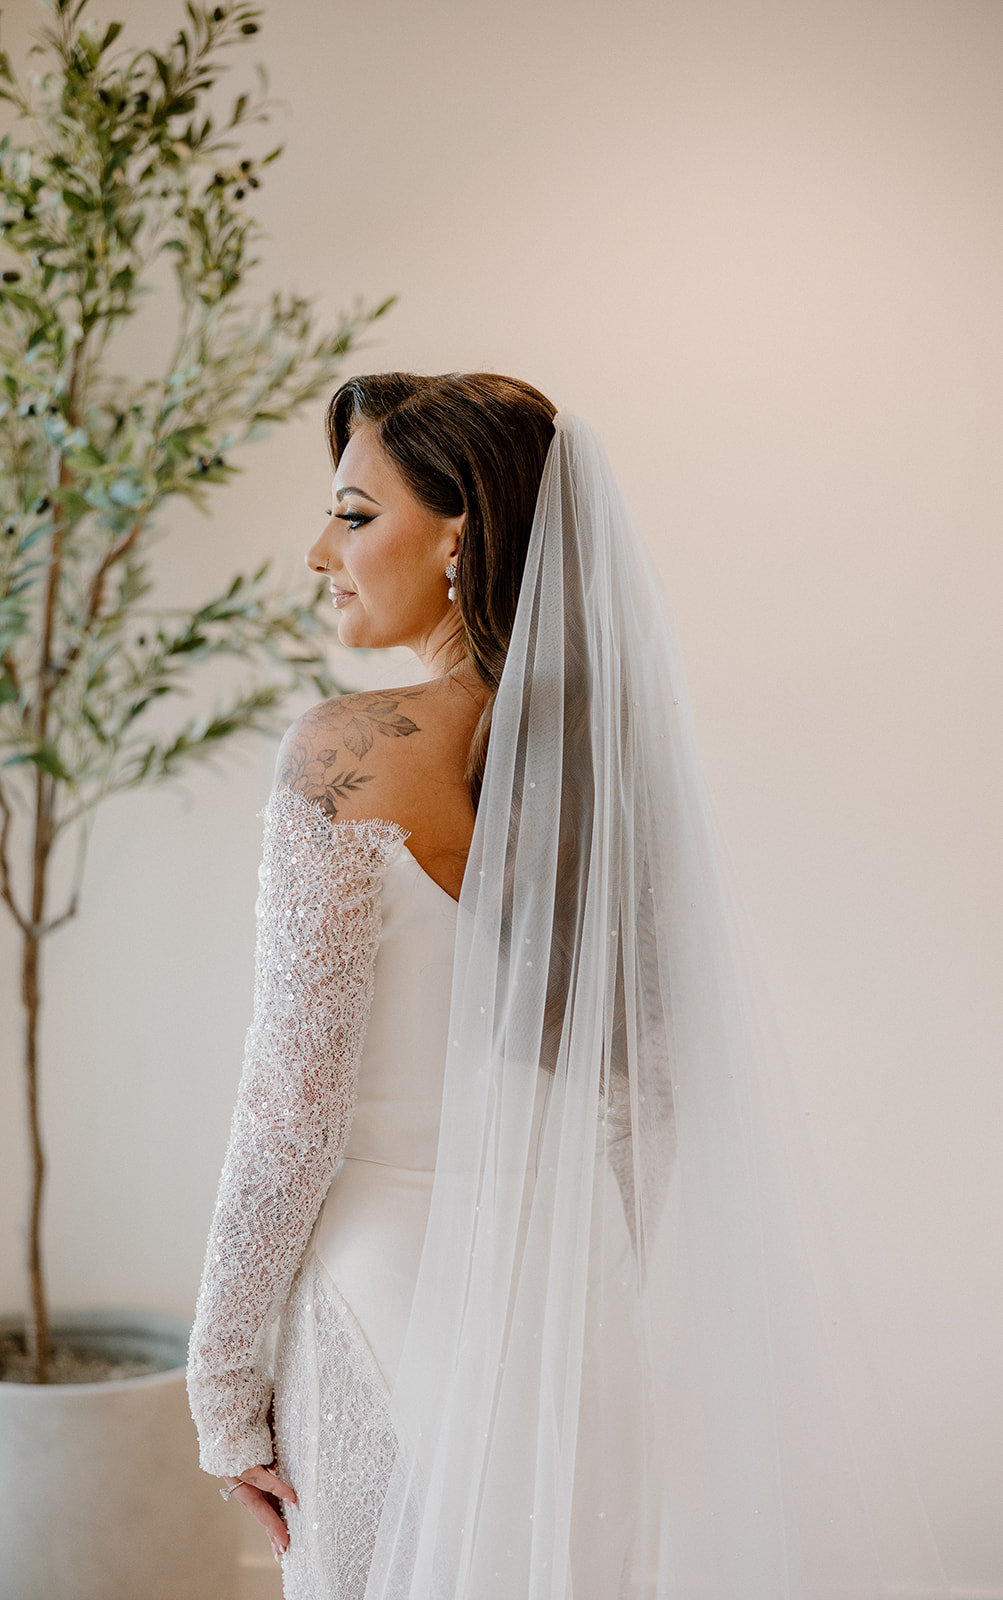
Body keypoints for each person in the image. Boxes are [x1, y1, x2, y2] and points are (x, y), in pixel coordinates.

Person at [187, 374, 949, 1600]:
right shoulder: (614, 763)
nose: (319, 551)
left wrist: (221, 1386)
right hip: (577, 1300)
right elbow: (648, 1088)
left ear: (461, 535)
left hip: (385, 1300)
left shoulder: (341, 755)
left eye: (353, 513)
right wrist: (585, 1273)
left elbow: (290, 1109)